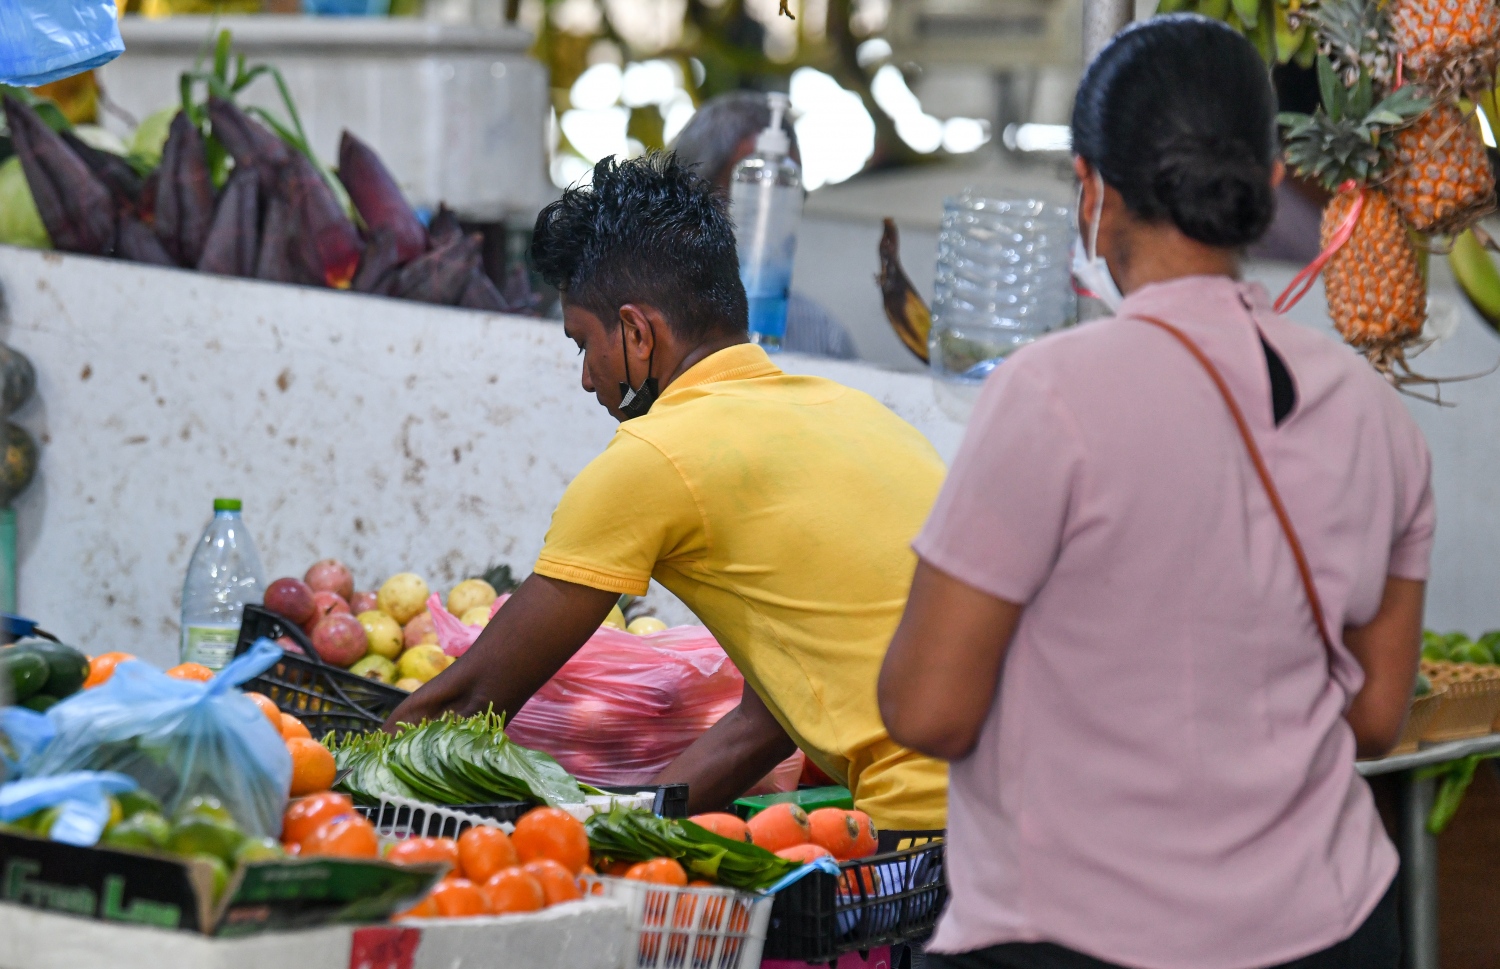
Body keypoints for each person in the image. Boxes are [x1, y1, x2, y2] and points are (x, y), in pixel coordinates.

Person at [878, 16, 1431, 969]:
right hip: (1330, 928)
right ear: (1265, 185)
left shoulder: (1049, 394)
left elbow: (930, 709)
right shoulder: (1375, 417)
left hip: (1077, 937)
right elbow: (1378, 718)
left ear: (1091, 191)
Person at [387, 153, 948, 830]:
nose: (588, 378)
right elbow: (762, 723)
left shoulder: (657, 454)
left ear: (636, 332)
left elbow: (473, 696)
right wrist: (620, 824)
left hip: (922, 822)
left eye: (582, 344)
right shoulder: (859, 416)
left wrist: (329, 778)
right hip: (1029, 807)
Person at [671, 91, 858, 360]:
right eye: (750, 197)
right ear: (690, 199)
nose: (768, 221)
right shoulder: (639, 323)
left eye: (786, 197)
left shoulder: (821, 336)